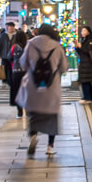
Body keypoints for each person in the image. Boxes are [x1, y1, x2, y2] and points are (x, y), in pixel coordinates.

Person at [19, 23, 67, 156]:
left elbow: (23, 63)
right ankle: (50, 146)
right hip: (51, 86)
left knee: (33, 114)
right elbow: (64, 66)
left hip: (34, 85)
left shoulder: (30, 44)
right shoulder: (57, 46)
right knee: (52, 116)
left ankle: (33, 135)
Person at [75, 26, 92, 103]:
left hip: (88, 63)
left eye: (84, 30)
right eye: (82, 31)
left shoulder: (90, 41)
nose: (82, 32)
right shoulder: (84, 40)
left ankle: (88, 98)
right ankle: (88, 97)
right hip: (84, 63)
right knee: (85, 81)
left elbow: (88, 51)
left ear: (88, 32)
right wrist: (77, 47)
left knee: (86, 81)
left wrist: (81, 47)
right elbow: (81, 53)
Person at [8, 29, 29, 117]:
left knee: (17, 91)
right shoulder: (28, 46)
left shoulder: (14, 47)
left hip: (16, 72)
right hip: (27, 72)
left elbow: (9, 57)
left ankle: (19, 112)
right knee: (27, 91)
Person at [0, 22, 15, 88]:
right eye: (9, 27)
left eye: (12, 27)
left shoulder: (15, 35)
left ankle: (10, 82)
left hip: (13, 55)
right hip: (4, 54)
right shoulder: (3, 35)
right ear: (7, 27)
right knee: (4, 68)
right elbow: (0, 44)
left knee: (11, 69)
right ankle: (4, 81)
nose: (10, 28)